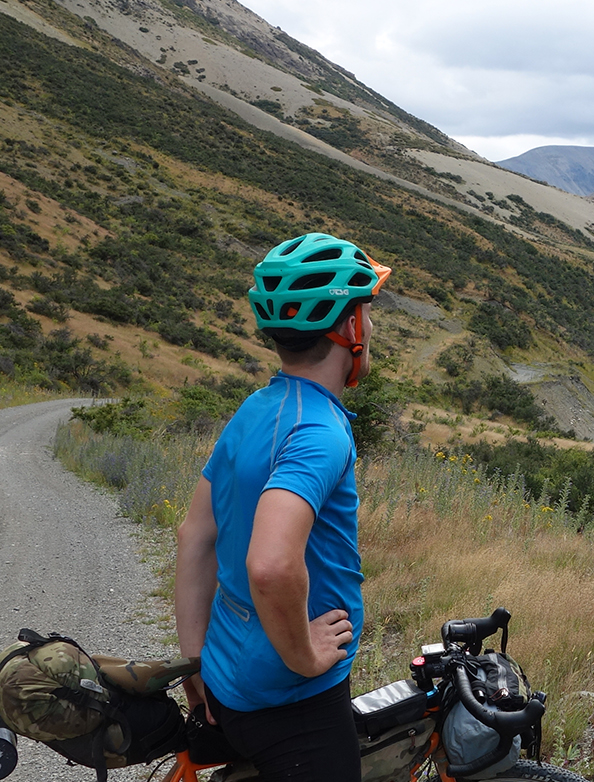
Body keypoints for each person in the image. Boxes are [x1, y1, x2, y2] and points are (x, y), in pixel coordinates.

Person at [174, 233, 391, 781]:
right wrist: (305, 656)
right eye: (366, 312)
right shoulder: (319, 433)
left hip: (227, 674)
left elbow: (194, 536)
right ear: (348, 329)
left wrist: (195, 664)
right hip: (291, 700)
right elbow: (270, 564)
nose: (371, 326)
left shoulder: (257, 406)